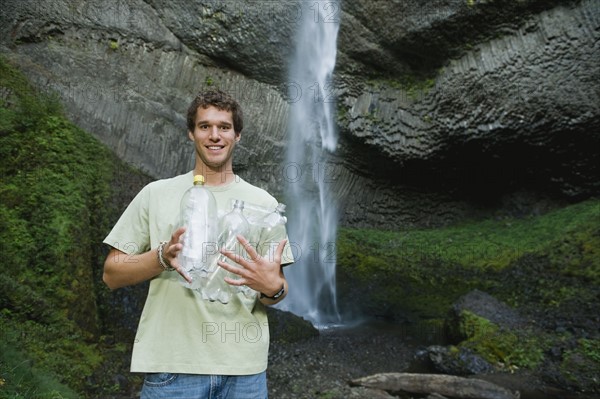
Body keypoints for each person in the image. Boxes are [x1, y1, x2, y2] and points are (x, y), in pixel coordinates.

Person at [102, 89, 294, 399]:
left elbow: (277, 291)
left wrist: (271, 287)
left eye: (224, 127)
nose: (214, 135)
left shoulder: (265, 204)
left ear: (238, 135)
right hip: (173, 370)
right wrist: (161, 258)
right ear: (191, 134)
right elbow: (112, 274)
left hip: (244, 374)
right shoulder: (156, 194)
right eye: (205, 126)